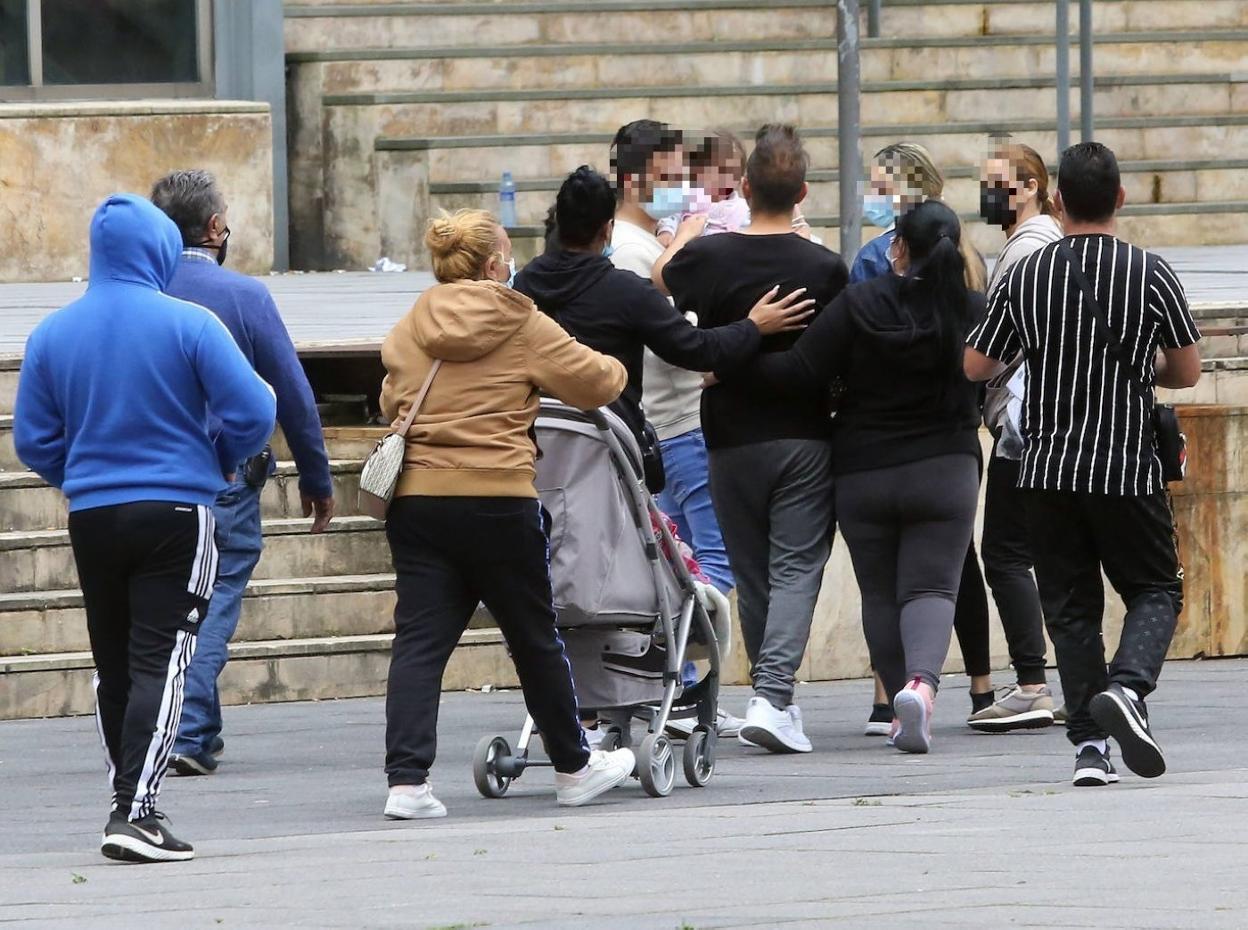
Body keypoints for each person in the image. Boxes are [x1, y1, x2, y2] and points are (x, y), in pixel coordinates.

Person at [13, 194, 276, 862]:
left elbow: (34, 442)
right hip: (177, 511)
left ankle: (125, 799)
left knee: (116, 664)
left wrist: (80, 476)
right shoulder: (188, 322)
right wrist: (219, 457)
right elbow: (255, 406)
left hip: (93, 515)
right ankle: (135, 812)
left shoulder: (51, 333)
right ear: (160, 251)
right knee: (165, 656)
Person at [379, 209, 636, 819]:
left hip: (418, 498)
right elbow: (598, 382)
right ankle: (574, 767)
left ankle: (407, 783)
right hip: (499, 497)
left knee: (419, 640)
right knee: (533, 636)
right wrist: (617, 362)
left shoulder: (415, 320)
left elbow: (392, 395)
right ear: (495, 264)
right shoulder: (520, 318)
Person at [965, 142, 1202, 786]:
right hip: (1125, 465)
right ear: (1120, 199)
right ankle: (1128, 688)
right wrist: (1136, 362)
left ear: (1059, 200)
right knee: (1156, 587)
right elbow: (1185, 370)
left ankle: (1090, 750)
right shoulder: (1150, 273)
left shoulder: (1027, 274)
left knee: (1071, 607)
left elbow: (977, 365)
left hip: (1046, 466)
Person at [722, 200, 983, 754]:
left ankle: (895, 713)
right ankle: (920, 687)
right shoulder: (973, 310)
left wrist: (731, 364)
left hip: (863, 470)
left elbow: (800, 372)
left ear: (899, 249)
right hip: (945, 468)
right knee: (933, 586)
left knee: (881, 594)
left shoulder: (860, 302)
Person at [659, 124, 849, 754]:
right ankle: (773, 695)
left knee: (753, 570)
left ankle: (772, 696)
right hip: (803, 436)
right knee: (797, 564)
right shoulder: (825, 268)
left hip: (726, 437)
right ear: (802, 192)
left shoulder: (707, 259)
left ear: (743, 187)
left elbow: (667, 279)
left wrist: (686, 229)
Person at [149, 170, 336, 776]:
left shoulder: (138, 292)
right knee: (217, 594)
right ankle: (191, 731)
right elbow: (294, 395)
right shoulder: (244, 295)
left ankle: (175, 727)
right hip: (223, 473)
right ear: (213, 227)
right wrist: (317, 477)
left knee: (166, 603)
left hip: (144, 477)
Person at [845, 140, 995, 735]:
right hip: (952, 441)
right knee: (955, 569)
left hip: (881, 441)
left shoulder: (874, 263)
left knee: (887, 582)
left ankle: (891, 694)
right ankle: (977, 688)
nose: (873, 197)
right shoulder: (970, 260)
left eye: (882, 186)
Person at [514, 166, 811, 454]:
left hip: (539, 447)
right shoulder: (626, 290)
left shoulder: (523, 286)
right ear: (607, 230)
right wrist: (753, 326)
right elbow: (696, 349)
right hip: (610, 450)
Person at [966, 144, 1064, 732]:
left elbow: (993, 347)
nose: (987, 193)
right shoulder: (1043, 243)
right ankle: (1075, 680)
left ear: (1028, 186)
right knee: (1049, 553)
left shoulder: (1027, 250)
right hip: (1050, 422)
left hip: (1021, 425)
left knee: (1005, 554)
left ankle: (1031, 683)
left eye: (996, 183)